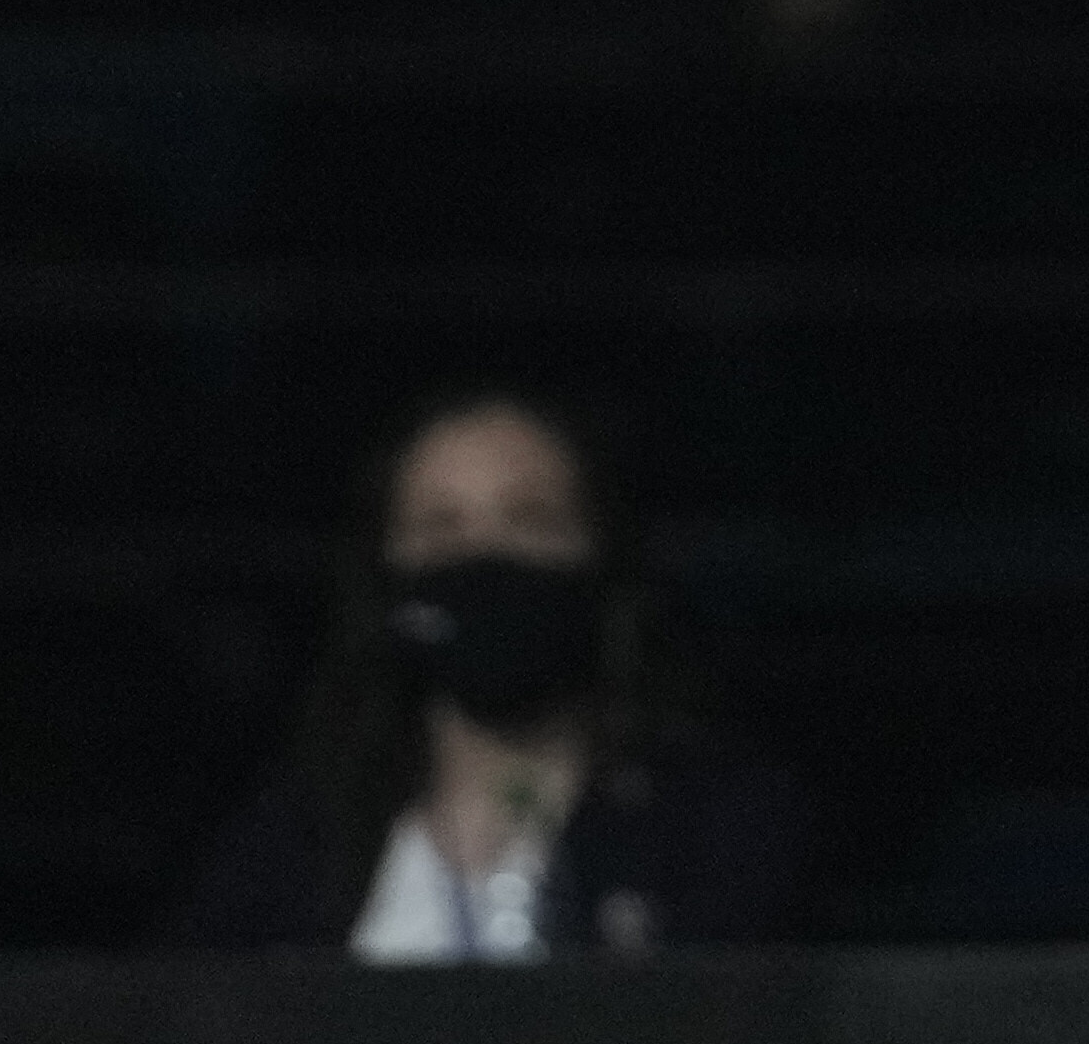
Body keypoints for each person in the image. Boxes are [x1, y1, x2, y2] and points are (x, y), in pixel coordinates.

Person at [165, 391, 806, 959]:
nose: (484, 560)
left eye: (530, 522)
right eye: (440, 527)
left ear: (600, 555)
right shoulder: (297, 840)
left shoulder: (714, 829)